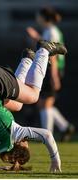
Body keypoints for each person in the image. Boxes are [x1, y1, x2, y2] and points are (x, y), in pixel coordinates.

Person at [0, 40, 67, 172]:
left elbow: (47, 135)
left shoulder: (14, 134)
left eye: (27, 143)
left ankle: (44, 50)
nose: (27, 140)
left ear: (20, 144)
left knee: (33, 96)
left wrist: (55, 161)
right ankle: (28, 59)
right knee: (16, 105)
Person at [27, 7, 75, 141]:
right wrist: (36, 37)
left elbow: (52, 54)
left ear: (43, 17)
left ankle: (47, 136)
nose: (37, 18)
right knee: (43, 103)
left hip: (52, 70)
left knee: (45, 104)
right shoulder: (49, 31)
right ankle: (65, 127)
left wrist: (54, 76)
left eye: (39, 16)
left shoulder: (52, 32)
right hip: (48, 70)